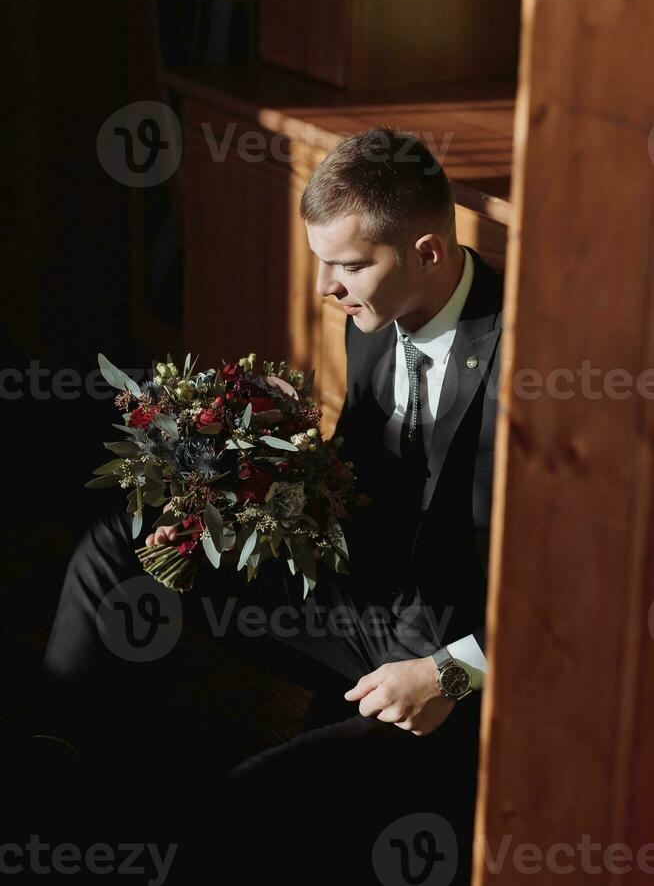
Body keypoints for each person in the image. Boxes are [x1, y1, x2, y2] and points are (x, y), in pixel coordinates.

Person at [26, 127, 503, 885]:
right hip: (363, 598)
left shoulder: (531, 358)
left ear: (429, 253)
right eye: (323, 264)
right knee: (132, 537)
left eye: (349, 266)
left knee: (245, 810)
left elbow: (584, 597)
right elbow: (359, 480)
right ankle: (50, 766)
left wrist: (451, 674)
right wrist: (249, 480)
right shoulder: (374, 320)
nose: (327, 289)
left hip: (450, 666)